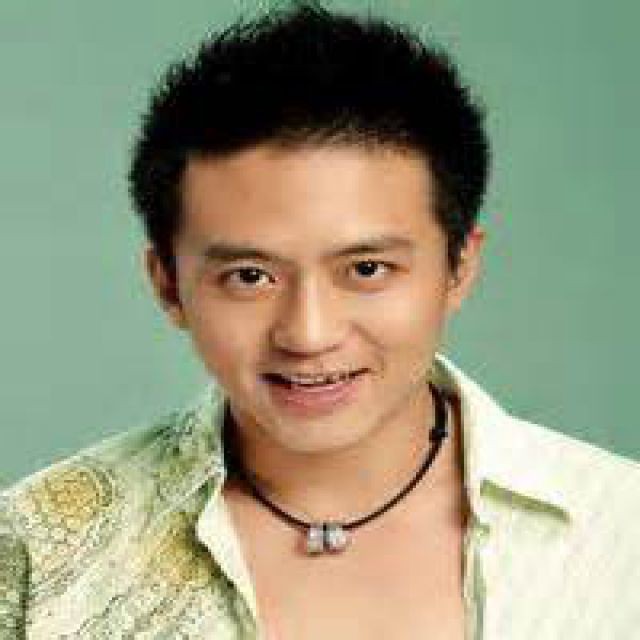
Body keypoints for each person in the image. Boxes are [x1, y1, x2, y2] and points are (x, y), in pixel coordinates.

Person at [1, 2, 638, 638]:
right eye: (250, 276)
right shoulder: (38, 550)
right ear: (168, 283)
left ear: (459, 267)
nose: (308, 334)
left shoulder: (621, 529)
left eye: (366, 269)